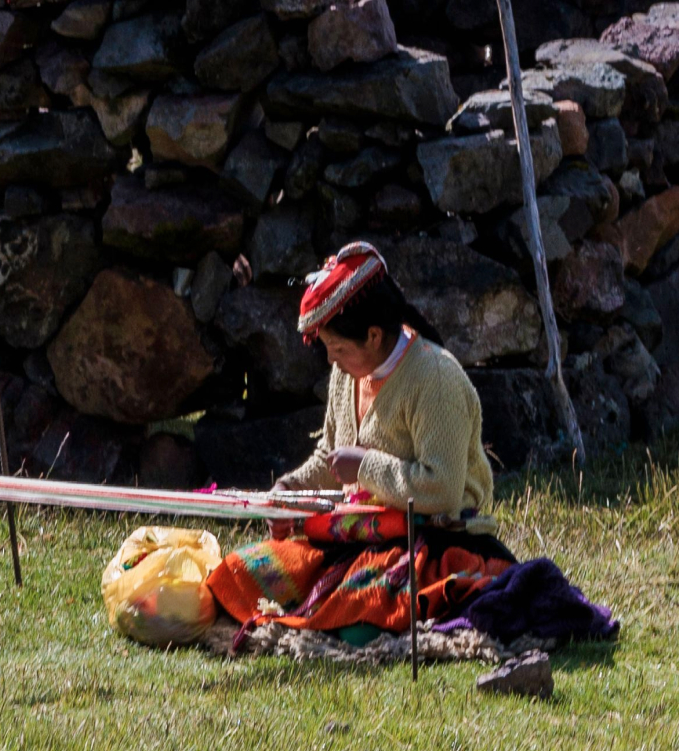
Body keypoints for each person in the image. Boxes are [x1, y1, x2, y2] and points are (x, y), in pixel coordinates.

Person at [205, 241, 514, 641]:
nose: (331, 360)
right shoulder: (346, 375)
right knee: (238, 575)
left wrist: (365, 467)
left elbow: (443, 490)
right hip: (356, 538)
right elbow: (332, 459)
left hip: (430, 544)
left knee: (355, 615)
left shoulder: (436, 380)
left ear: (372, 335)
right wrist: (288, 490)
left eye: (337, 347)